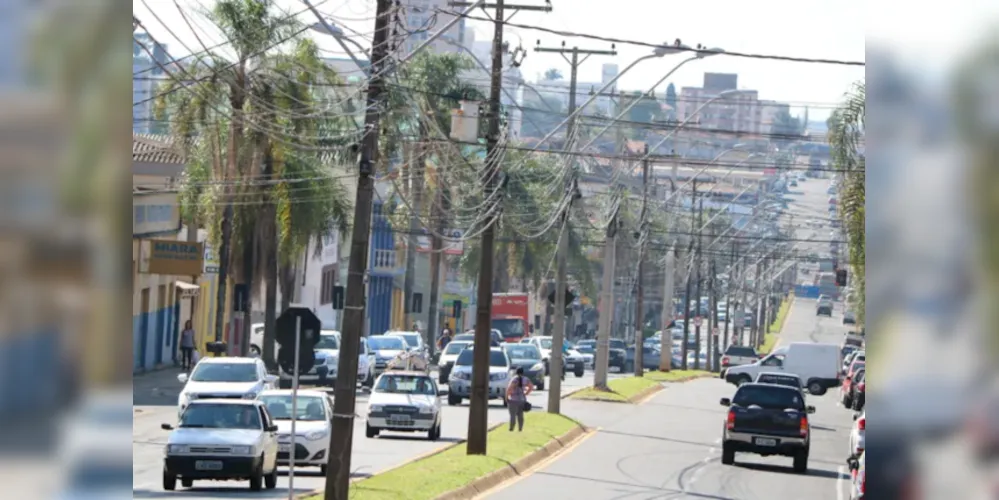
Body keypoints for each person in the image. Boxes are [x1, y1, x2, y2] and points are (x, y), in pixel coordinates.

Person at [505, 367, 534, 432]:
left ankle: (511, 428)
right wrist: (526, 393)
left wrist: (506, 397)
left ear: (516, 372)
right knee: (520, 415)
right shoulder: (526, 379)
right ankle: (520, 428)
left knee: (512, 415)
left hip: (513, 400)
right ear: (523, 372)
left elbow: (509, 389)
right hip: (521, 400)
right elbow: (531, 387)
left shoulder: (514, 379)